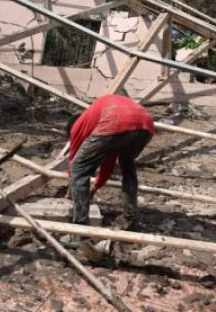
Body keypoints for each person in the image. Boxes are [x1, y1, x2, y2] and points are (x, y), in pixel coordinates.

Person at [65, 94, 155, 235]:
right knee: (127, 166)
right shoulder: (98, 113)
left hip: (116, 119)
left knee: (78, 168)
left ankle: (80, 230)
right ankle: (130, 217)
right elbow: (109, 161)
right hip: (146, 125)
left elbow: (74, 162)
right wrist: (96, 186)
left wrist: (72, 189)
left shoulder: (77, 126)